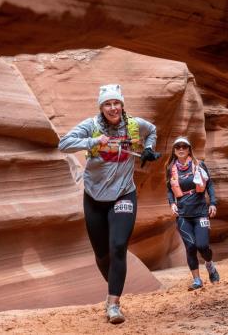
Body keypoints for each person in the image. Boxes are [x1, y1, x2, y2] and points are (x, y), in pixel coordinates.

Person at [58, 84, 159, 324]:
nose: (113, 107)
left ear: (122, 104)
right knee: (102, 253)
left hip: (124, 194)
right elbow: (64, 144)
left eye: (116, 103)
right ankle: (112, 287)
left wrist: (148, 148)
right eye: (107, 104)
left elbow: (152, 130)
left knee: (118, 246)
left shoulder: (134, 125)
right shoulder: (91, 126)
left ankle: (113, 304)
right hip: (94, 196)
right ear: (101, 107)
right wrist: (92, 142)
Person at [165, 136, 220, 291]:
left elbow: (209, 185)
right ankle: (197, 280)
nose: (181, 149)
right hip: (183, 214)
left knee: (202, 246)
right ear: (174, 151)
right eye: (178, 147)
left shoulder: (199, 164)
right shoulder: (170, 168)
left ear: (189, 149)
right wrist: (172, 203)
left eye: (184, 147)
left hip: (201, 211)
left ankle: (209, 265)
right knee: (190, 247)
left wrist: (213, 203)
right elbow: (169, 189)